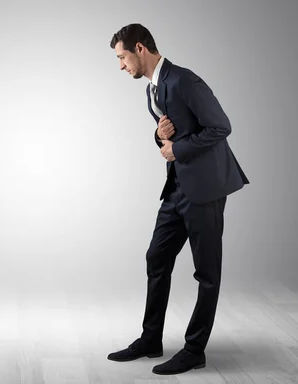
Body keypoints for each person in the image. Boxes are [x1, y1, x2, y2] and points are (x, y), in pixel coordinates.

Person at [106, 23, 249, 375]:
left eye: (122, 57)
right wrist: (159, 137)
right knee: (156, 257)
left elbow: (220, 127)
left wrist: (177, 149)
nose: (120, 66)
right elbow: (172, 135)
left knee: (207, 272)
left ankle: (194, 350)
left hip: (205, 190)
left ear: (140, 49)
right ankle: (150, 339)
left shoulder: (184, 80)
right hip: (177, 189)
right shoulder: (152, 89)